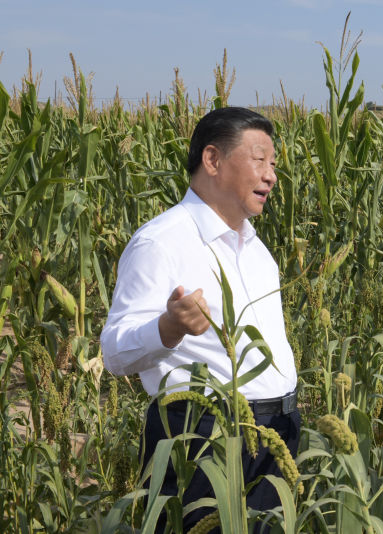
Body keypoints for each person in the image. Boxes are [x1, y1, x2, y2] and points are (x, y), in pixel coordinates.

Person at [101, 107, 299, 531]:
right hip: (203, 435)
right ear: (213, 160)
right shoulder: (161, 242)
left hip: (276, 433)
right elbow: (114, 353)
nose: (271, 176)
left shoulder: (257, 250)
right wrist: (168, 328)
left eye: (274, 165)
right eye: (259, 160)